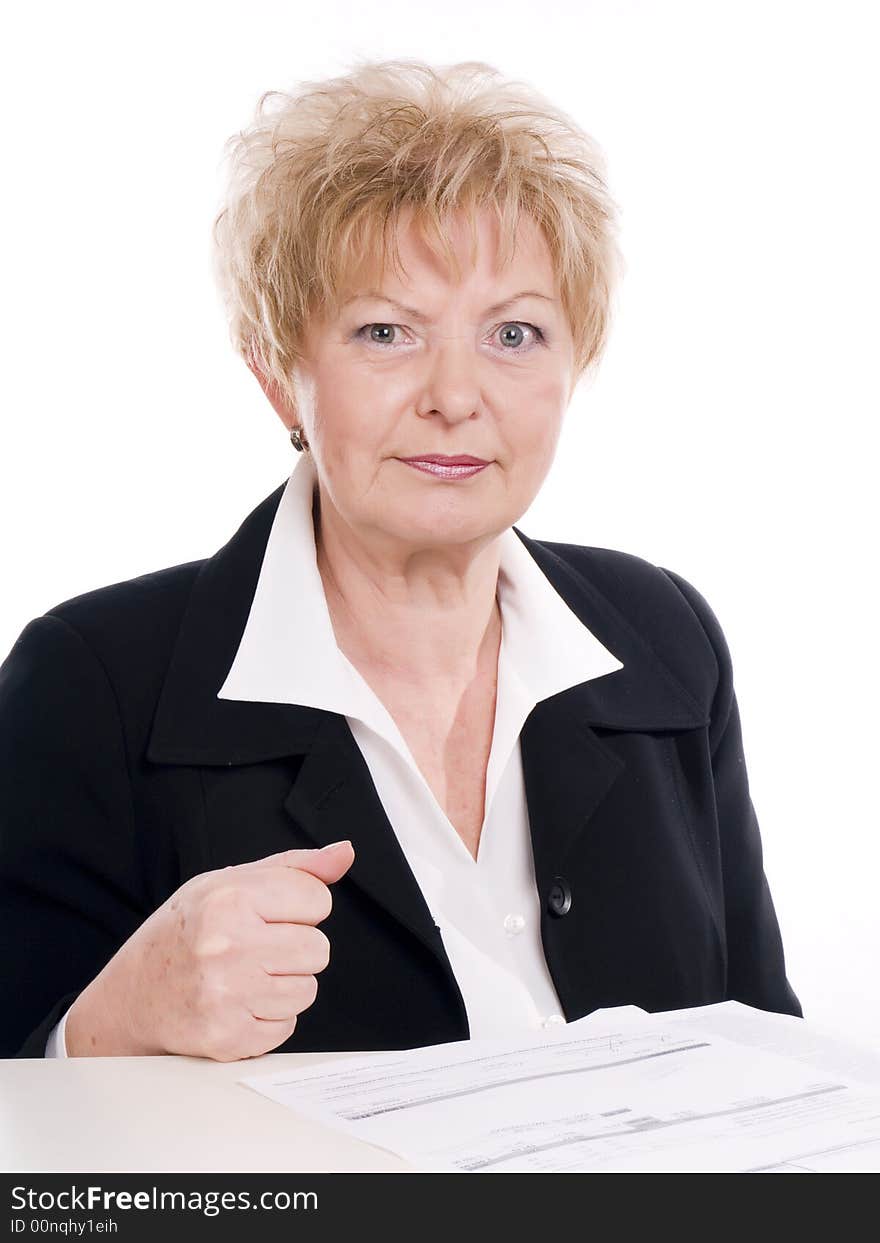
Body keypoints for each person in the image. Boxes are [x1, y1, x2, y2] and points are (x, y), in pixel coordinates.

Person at [0, 59, 801, 1062]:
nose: (455, 395)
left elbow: (767, 1058)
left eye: (514, 332)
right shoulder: (93, 678)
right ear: (277, 375)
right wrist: (112, 1024)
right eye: (385, 331)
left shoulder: (663, 634)